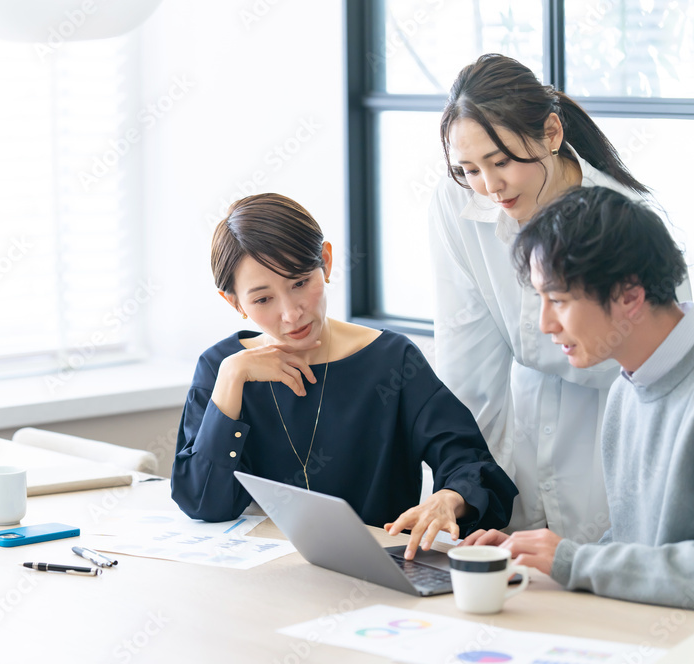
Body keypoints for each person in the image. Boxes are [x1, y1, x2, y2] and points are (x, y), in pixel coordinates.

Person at [172, 193, 518, 559]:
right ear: (234, 302)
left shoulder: (391, 359)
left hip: (375, 571)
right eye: (262, 299)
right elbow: (203, 503)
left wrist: (450, 497)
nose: (291, 313)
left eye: (299, 282)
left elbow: (469, 462)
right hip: (267, 574)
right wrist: (232, 377)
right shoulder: (222, 367)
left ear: (326, 261)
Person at [430, 53, 689, 541]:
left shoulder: (621, 224)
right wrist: (464, 488)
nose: (489, 186)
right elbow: (467, 371)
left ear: (551, 133)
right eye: (469, 169)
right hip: (522, 446)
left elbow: (660, 378)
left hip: (608, 449)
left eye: (502, 162)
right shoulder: (459, 199)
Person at [465, 186, 694, 609]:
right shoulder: (627, 388)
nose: (545, 324)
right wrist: (536, 555)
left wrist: (575, 561)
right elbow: (635, 547)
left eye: (558, 300)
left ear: (629, 296)